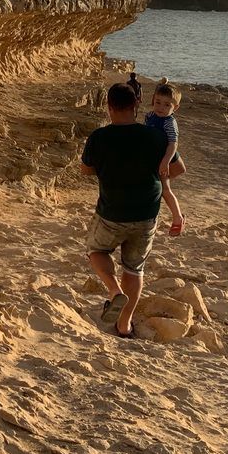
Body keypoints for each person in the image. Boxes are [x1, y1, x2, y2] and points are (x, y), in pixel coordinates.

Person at [80, 83, 170, 339]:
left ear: (108, 108)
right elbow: (177, 170)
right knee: (134, 268)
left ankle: (114, 289)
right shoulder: (155, 136)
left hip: (112, 211)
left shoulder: (99, 137)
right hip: (146, 213)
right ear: (137, 105)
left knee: (96, 250)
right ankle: (124, 325)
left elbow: (85, 170)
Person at [145, 83, 186, 235]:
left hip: (163, 159)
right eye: (158, 102)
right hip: (152, 158)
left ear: (175, 107)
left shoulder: (169, 122)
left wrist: (165, 161)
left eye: (167, 105)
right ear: (153, 100)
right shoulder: (149, 116)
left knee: (166, 190)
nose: (161, 107)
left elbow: (173, 144)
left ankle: (178, 218)